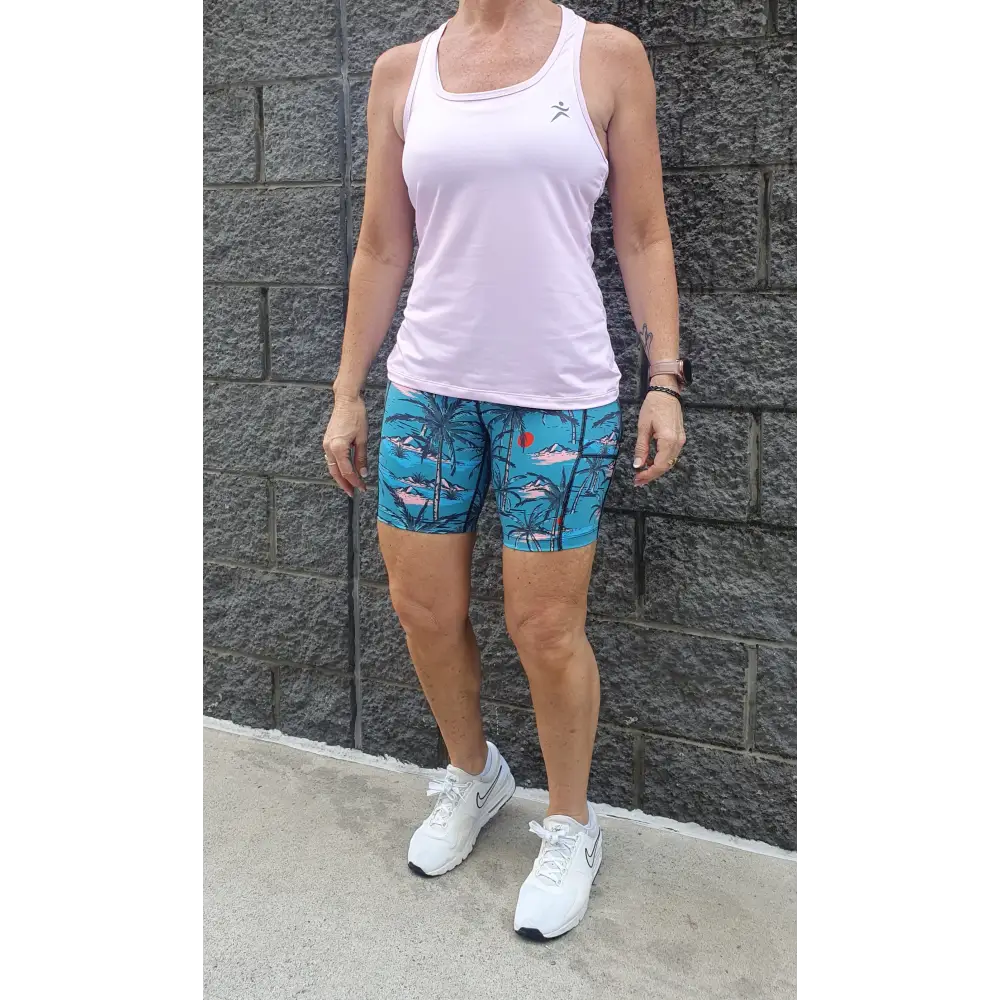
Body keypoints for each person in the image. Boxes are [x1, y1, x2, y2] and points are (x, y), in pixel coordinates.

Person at [322, 0, 687, 940]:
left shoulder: (603, 57)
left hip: (558, 397)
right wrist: (348, 391)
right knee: (422, 608)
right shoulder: (402, 72)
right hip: (429, 391)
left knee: (545, 629)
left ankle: (570, 824)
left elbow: (643, 234)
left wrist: (665, 380)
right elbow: (382, 244)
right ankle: (474, 774)